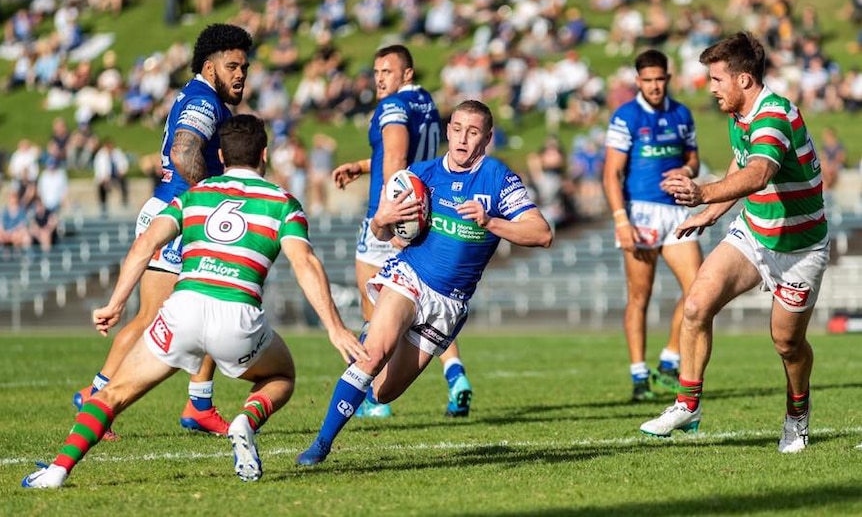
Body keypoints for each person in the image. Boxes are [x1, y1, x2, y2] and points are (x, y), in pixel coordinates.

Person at [21, 115, 368, 489]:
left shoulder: (195, 194)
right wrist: (335, 328)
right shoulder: (283, 203)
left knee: (112, 394)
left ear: (220, 154)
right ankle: (245, 421)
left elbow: (145, 245)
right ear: (265, 155)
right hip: (239, 320)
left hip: (181, 312)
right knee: (281, 375)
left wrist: (115, 303)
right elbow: (305, 264)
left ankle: (57, 471)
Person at [296, 100, 554, 466]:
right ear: (448, 130)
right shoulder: (423, 175)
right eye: (458, 129)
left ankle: (382, 331)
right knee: (373, 356)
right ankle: (320, 445)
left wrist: (491, 222)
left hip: (448, 304)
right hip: (410, 277)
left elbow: (542, 234)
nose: (463, 139)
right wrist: (382, 220)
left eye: (474, 132)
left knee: (384, 393)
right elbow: (388, 234)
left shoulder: (498, 178)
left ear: (487, 138)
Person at [640, 32, 829, 454]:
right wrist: (713, 212)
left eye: (716, 79)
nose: (711, 88)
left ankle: (797, 415)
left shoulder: (775, 116)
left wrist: (705, 193)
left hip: (800, 248)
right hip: (755, 232)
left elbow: (760, 171)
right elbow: (741, 161)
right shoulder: (739, 115)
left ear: (744, 79)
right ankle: (687, 404)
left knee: (787, 343)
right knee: (696, 305)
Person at [72, 23, 254, 438]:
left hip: (175, 211)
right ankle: (103, 396)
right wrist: (212, 196)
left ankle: (195, 403)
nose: (240, 74)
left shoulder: (203, 97)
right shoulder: (205, 102)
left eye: (244, 66)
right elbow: (184, 149)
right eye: (232, 66)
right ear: (210, 68)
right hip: (180, 216)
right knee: (178, 312)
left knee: (203, 305)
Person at [330, 44, 475, 418]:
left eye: (387, 72)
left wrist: (388, 218)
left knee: (372, 311)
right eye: (376, 72)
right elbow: (401, 155)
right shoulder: (424, 101)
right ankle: (455, 372)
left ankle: (370, 399)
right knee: (430, 305)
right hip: (424, 214)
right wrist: (362, 167)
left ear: (406, 74)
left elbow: (395, 159)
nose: (379, 79)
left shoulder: (392, 107)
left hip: (396, 216)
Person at [602, 49, 703, 402]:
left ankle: (669, 361)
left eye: (660, 79)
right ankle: (639, 376)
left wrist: (688, 171)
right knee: (639, 297)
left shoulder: (681, 113)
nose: (655, 86)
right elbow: (611, 173)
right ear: (638, 81)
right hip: (640, 213)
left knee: (700, 289)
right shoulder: (626, 116)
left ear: (668, 78)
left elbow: (693, 157)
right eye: (648, 80)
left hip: (676, 213)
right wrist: (620, 220)